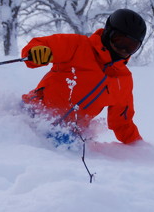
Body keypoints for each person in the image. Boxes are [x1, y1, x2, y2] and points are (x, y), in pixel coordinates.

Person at [21, 9, 147, 145]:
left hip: (66, 135)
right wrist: (36, 52)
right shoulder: (78, 46)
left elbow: (122, 124)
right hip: (32, 115)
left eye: (131, 47)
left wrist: (141, 149)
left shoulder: (123, 80)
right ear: (108, 32)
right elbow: (40, 45)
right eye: (119, 41)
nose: (123, 49)